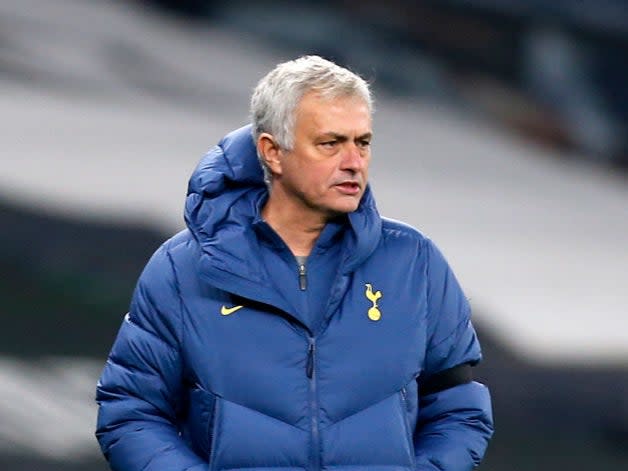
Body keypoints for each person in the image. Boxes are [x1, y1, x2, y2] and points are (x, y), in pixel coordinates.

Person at [95, 55, 493, 471]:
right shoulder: (183, 268)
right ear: (273, 152)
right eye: (330, 143)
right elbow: (131, 412)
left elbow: (458, 407)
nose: (354, 162)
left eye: (362, 142)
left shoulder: (414, 262)